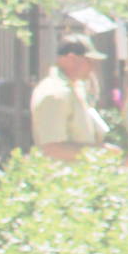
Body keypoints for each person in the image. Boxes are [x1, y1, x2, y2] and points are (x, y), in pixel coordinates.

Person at [32, 34, 119, 162]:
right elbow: (52, 149)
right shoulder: (55, 93)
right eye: (89, 61)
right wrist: (101, 152)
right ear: (71, 59)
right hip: (62, 174)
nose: (93, 67)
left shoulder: (75, 88)